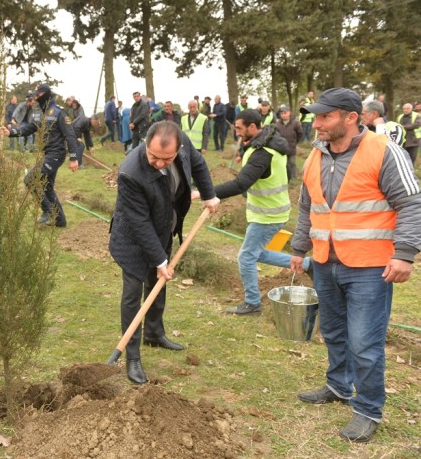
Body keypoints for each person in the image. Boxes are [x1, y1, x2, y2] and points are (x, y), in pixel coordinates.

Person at [292, 87, 421, 442]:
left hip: (369, 267)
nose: (316, 123)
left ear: (352, 118)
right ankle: (337, 385)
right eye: (315, 117)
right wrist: (299, 247)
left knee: (364, 342)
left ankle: (367, 409)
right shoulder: (314, 157)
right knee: (333, 332)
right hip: (324, 261)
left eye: (325, 116)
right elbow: (308, 207)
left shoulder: (384, 152)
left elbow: (411, 203)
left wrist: (404, 253)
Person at [109, 121, 219, 384]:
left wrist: (208, 194)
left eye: (165, 159)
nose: (159, 163)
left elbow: (200, 165)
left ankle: (154, 334)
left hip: (162, 225)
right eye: (153, 156)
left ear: (178, 148)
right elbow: (139, 222)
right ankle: (132, 356)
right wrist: (159, 260)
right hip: (133, 237)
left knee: (159, 281)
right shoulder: (130, 172)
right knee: (133, 293)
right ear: (146, 145)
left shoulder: (184, 146)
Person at [214, 109, 313, 316]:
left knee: (246, 257)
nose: (237, 133)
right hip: (267, 212)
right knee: (256, 253)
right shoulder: (263, 142)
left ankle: (252, 303)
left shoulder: (263, 152)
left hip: (268, 215)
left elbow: (241, 183)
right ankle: (307, 264)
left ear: (252, 127)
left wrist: (208, 194)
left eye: (240, 129)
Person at [1, 84, 79, 227]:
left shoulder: (59, 112)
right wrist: (11, 133)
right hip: (47, 153)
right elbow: (30, 128)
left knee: (30, 179)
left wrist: (74, 158)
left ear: (45, 94)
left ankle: (49, 212)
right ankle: (60, 220)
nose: (36, 98)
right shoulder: (39, 113)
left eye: (38, 95)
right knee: (47, 186)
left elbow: (70, 135)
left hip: (56, 154)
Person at [274, 105, 303, 181]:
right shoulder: (277, 123)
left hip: (291, 147)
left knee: (292, 163)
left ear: (289, 113)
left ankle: (294, 178)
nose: (283, 115)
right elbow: (275, 134)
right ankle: (284, 178)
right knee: (282, 164)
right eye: (282, 113)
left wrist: (295, 142)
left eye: (285, 113)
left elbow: (300, 133)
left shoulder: (296, 122)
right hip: (281, 148)